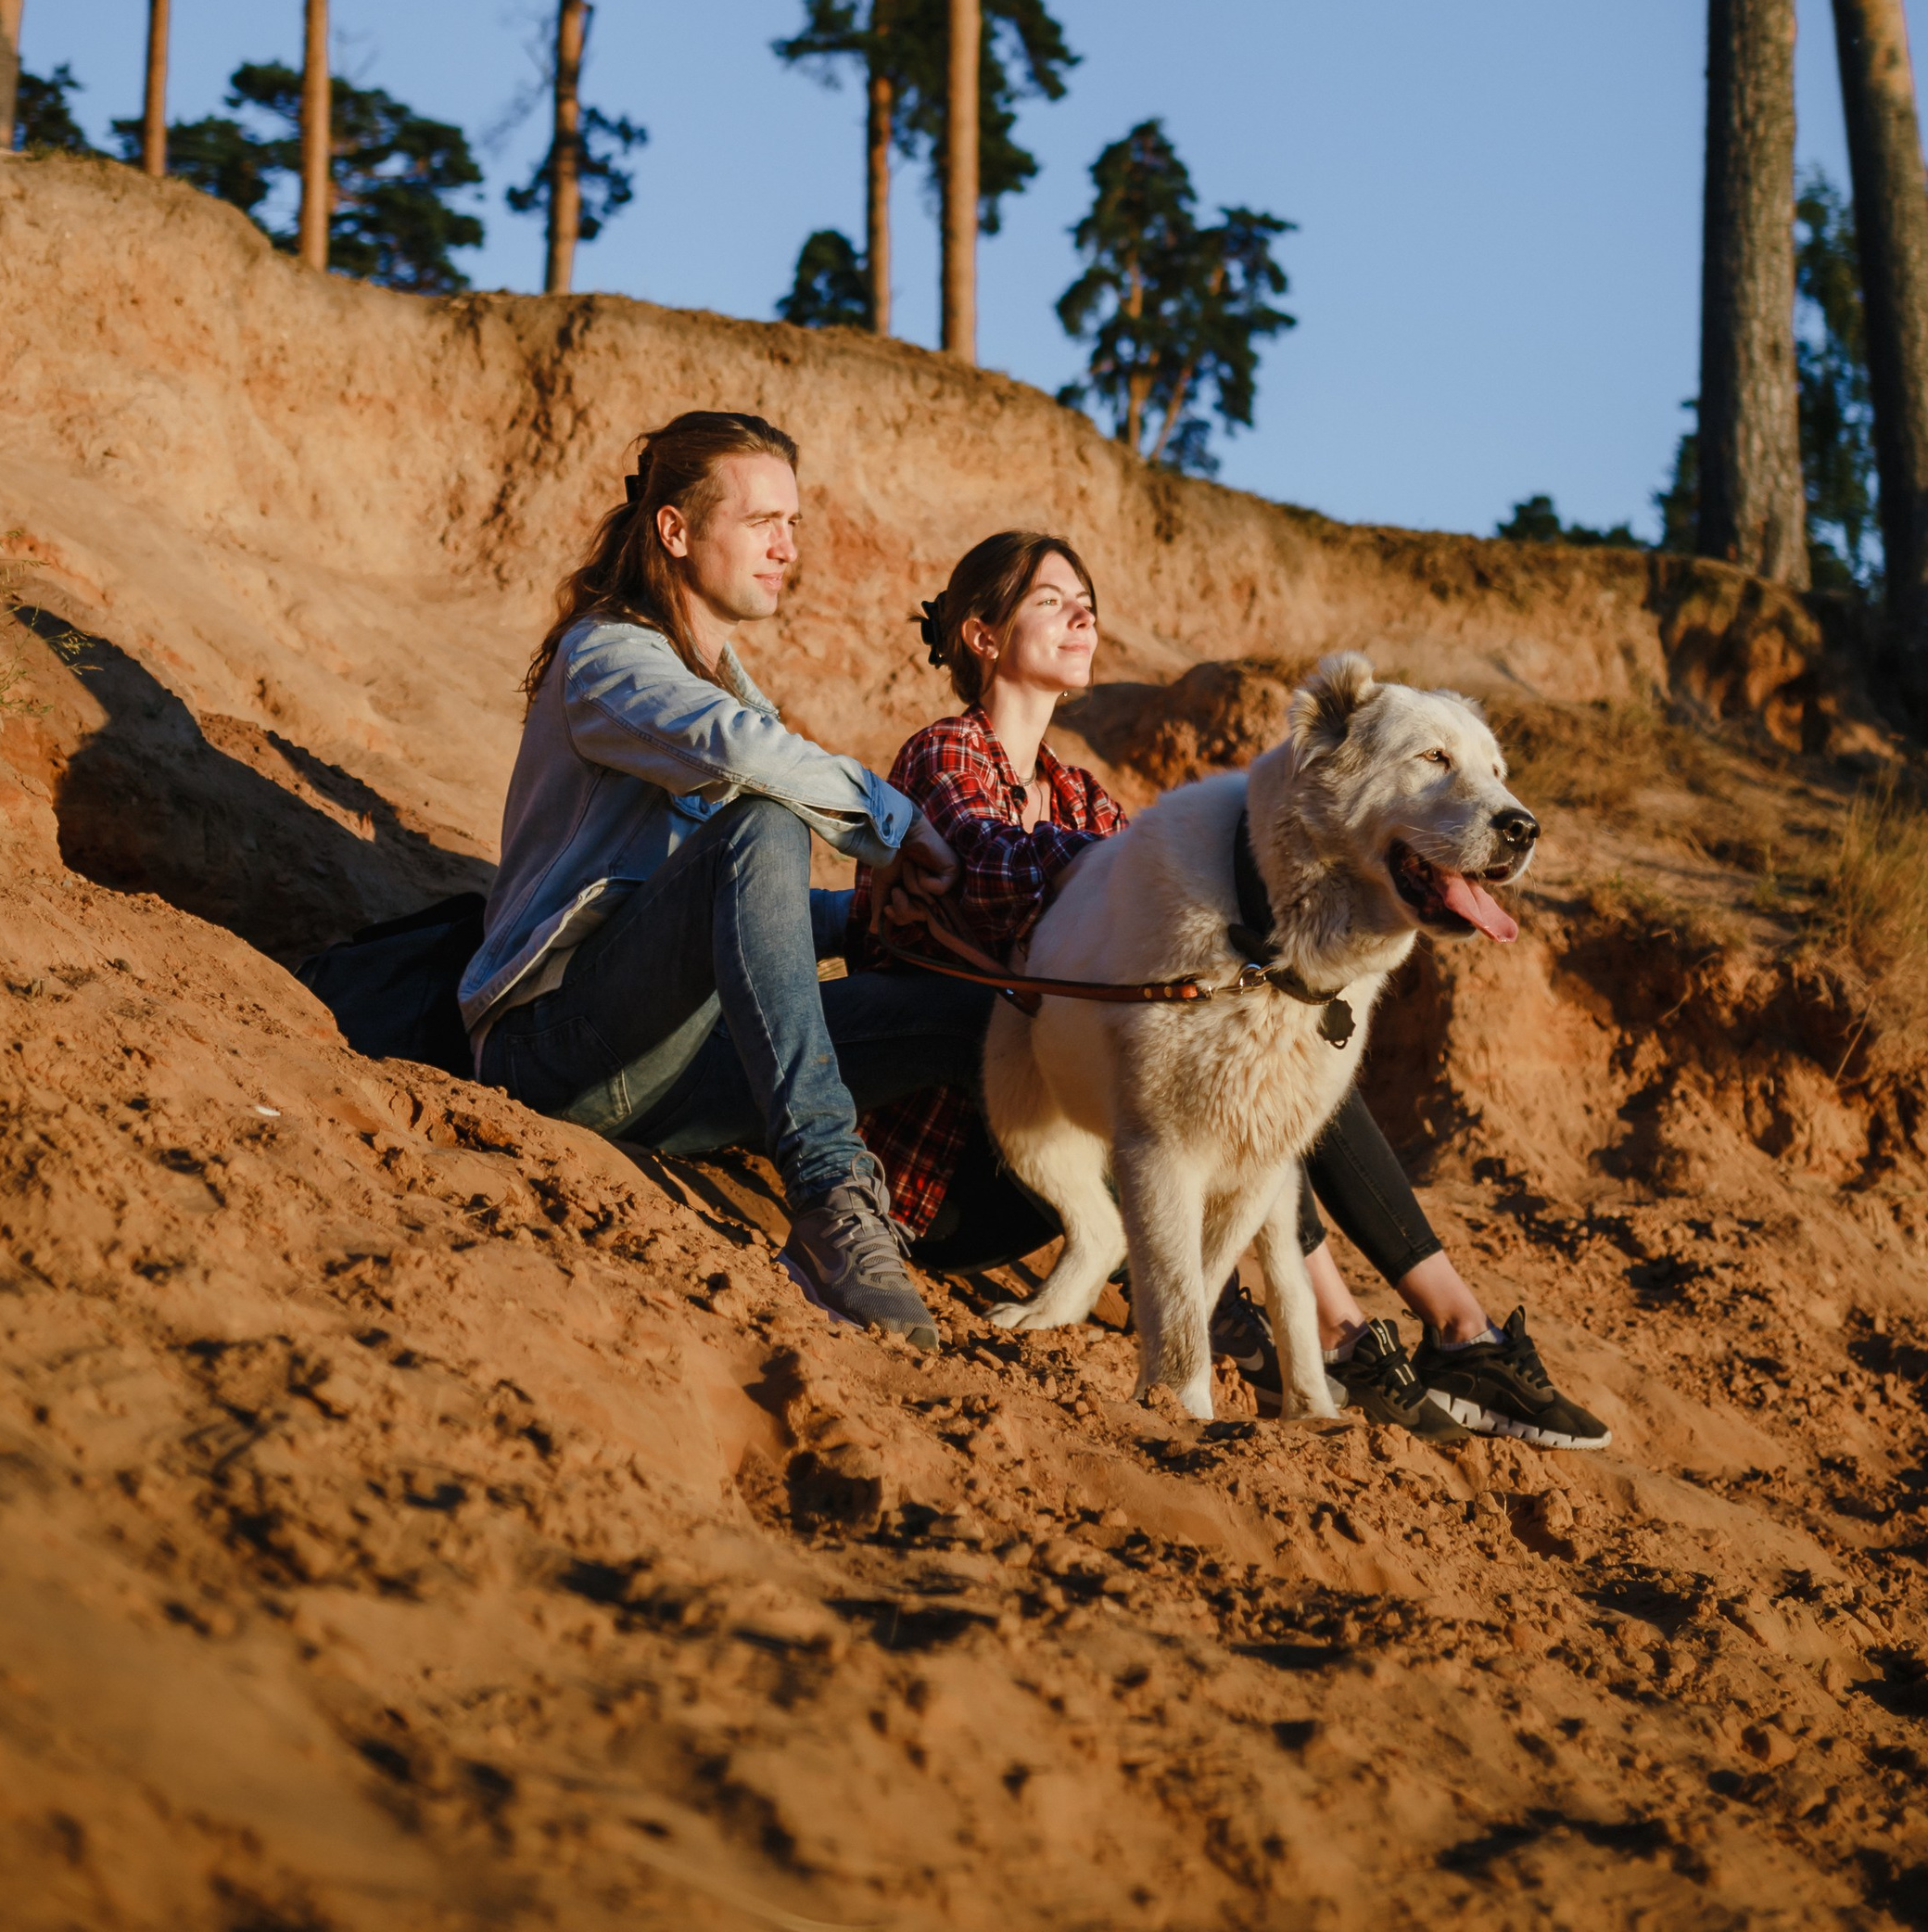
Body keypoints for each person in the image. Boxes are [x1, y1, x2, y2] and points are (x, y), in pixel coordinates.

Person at [848, 529, 1609, 1451]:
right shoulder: (946, 757)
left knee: (1280, 1058)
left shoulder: (1082, 794)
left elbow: (1118, 890)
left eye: (1088, 597)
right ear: (979, 633)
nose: (1082, 613)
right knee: (1253, 1059)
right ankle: (1381, 1331)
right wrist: (1162, 866)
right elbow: (984, 866)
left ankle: (1414, 1328)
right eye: (1053, 599)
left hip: (1072, 1171)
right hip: (958, 1149)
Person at [463, 411, 989, 1352]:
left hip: (678, 1061)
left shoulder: (726, 680)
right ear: (674, 530)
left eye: (793, 523)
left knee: (970, 1012)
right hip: (556, 1054)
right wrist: (896, 832)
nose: (787, 548)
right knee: (763, 814)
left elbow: (735, 914)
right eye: (761, 523)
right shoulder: (609, 655)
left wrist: (863, 915)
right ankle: (831, 1196)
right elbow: (737, 760)